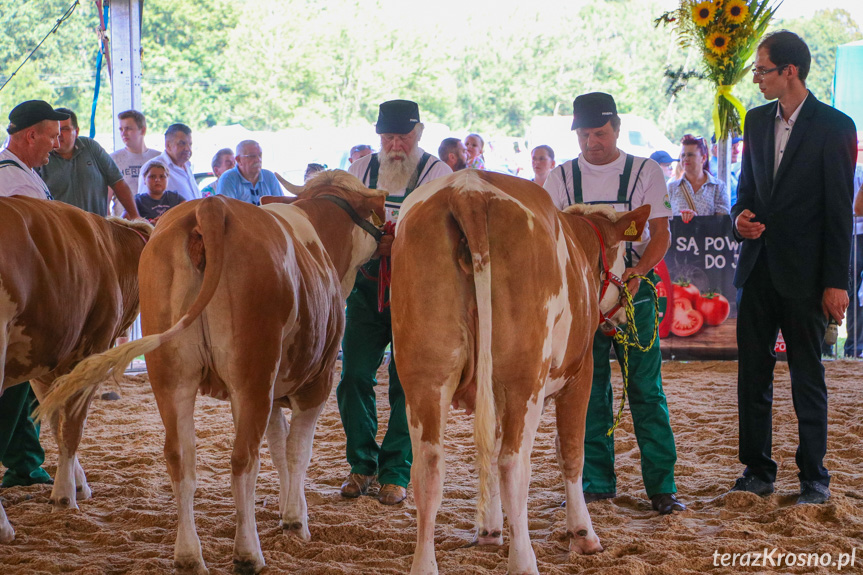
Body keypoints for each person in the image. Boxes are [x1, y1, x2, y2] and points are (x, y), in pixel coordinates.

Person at [729, 31, 857, 505]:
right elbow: (745, 192)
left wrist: (835, 283)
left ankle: (813, 476)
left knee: (808, 375)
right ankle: (758, 470)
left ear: (791, 72)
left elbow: (839, 212)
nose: (756, 79)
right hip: (757, 269)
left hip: (807, 278)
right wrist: (738, 219)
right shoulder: (756, 120)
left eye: (763, 70)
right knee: (752, 376)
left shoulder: (836, 126)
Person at [543, 92, 685, 515]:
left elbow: (660, 234)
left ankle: (662, 487)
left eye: (600, 133)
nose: (591, 141)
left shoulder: (645, 171)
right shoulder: (561, 178)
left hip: (633, 292)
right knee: (588, 389)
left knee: (646, 389)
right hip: (581, 297)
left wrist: (633, 278)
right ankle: (596, 483)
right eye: (585, 134)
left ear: (617, 129)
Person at [340, 99, 452, 506]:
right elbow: (346, 228)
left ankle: (396, 472)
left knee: (407, 384)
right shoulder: (359, 171)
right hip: (367, 287)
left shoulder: (438, 173)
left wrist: (397, 243)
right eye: (388, 136)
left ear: (418, 133)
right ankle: (361, 465)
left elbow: (445, 235)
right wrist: (375, 244)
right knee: (353, 375)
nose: (395, 144)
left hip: (418, 291)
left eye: (403, 135)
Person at [0, 100, 67, 488]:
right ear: (30, 135)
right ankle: (22, 462)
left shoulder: (21, 173)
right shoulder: (15, 182)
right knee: (12, 386)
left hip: (21, 296)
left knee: (22, 386)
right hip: (18, 297)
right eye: (51, 136)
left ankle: (25, 464)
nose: (55, 145)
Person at [38, 108, 139, 218]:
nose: (59, 134)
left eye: (65, 129)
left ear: (76, 132)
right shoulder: (42, 156)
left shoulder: (90, 147)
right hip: (61, 231)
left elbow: (118, 182)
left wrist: (136, 217)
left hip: (98, 228)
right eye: (56, 130)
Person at [667, 135, 730, 223]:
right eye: (683, 155)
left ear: (703, 158)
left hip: (707, 236)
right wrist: (679, 220)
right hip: (678, 236)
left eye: (690, 155)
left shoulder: (718, 187)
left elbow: (722, 222)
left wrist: (698, 220)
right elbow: (664, 221)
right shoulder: (671, 188)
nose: (685, 159)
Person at [109, 110, 160, 216]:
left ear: (143, 130)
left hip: (155, 223)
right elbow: (105, 199)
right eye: (121, 129)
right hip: (125, 225)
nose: (123, 133)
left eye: (128, 129)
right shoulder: (113, 160)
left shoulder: (158, 159)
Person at [139, 123, 199, 201]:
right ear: (168, 145)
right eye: (182, 144)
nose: (187, 149)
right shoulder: (153, 167)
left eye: (190, 144)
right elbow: (145, 204)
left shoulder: (187, 166)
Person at [216, 140, 282, 204]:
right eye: (252, 156)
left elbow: (282, 207)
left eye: (260, 155)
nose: (258, 160)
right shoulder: (227, 179)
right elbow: (227, 212)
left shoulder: (269, 176)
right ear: (239, 160)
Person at [848, 165, 863, 357]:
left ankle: (856, 346)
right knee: (850, 290)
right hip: (851, 235)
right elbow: (858, 208)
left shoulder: (859, 170)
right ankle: (854, 346)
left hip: (855, 234)